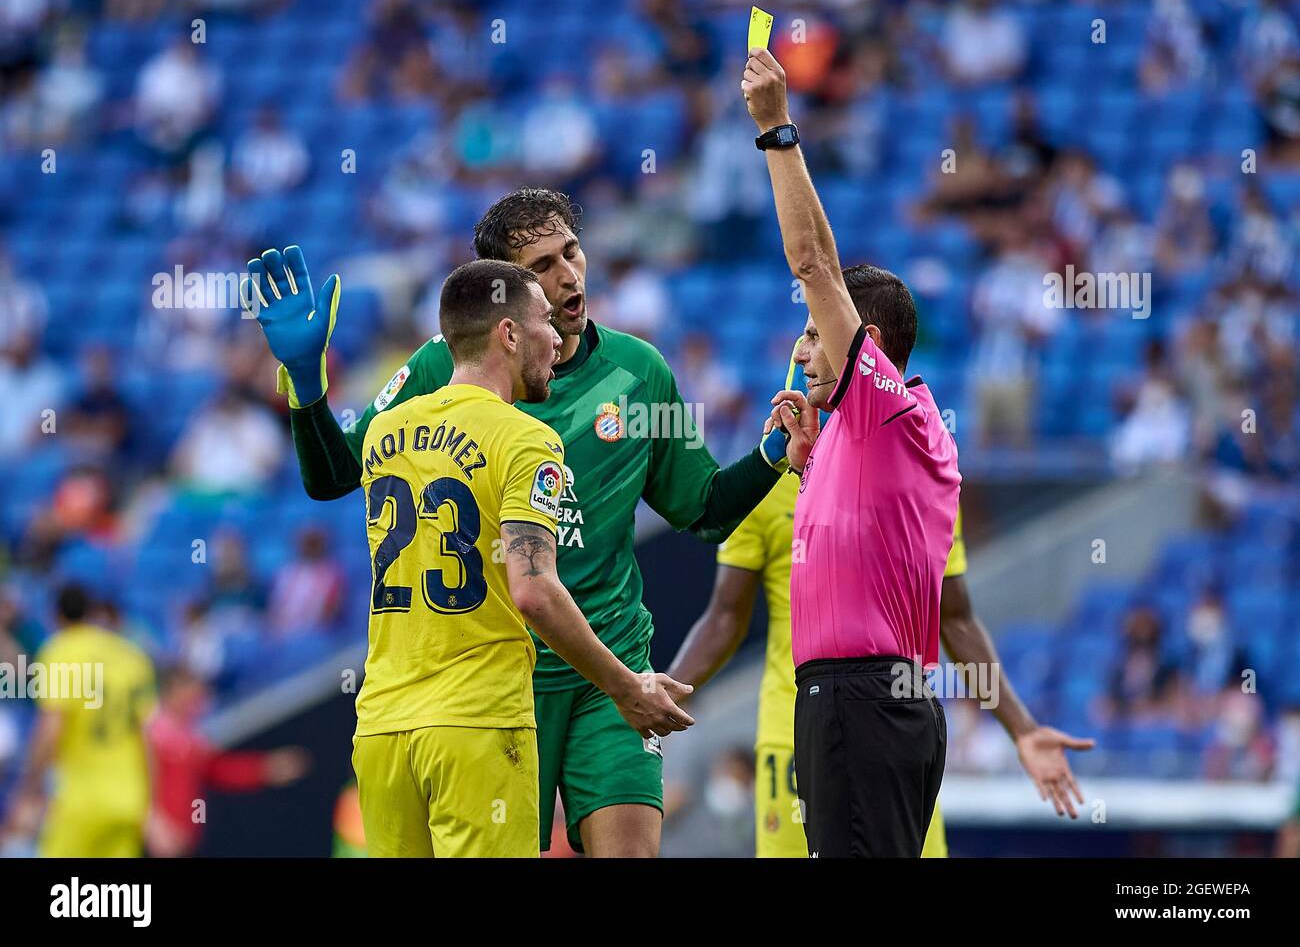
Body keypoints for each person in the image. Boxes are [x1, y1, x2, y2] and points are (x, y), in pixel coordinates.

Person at [248, 189, 786, 856]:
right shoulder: (443, 367)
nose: (568, 275)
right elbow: (335, 475)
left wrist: (773, 456)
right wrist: (306, 384)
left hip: (604, 669)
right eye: (543, 266)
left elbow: (702, 510)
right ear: (502, 298)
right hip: (501, 681)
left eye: (572, 252)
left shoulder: (638, 372)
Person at [671, 339, 1093, 857]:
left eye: (815, 338)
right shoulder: (769, 476)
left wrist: (1022, 729)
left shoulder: (918, 472)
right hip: (796, 737)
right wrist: (664, 693)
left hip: (893, 730)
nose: (804, 355)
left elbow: (956, 619)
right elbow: (724, 618)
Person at [743, 47, 960, 857]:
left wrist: (776, 131)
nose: (801, 351)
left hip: (862, 698)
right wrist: (805, 464)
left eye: (812, 332)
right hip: (860, 697)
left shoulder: (885, 411)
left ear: (866, 345)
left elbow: (814, 265)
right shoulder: (858, 434)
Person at [4, 585, 156, 857]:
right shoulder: (132, 656)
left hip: (82, 798)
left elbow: (51, 727)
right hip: (130, 796)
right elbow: (149, 736)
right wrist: (152, 803)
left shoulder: (61, 651)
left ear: (55, 616)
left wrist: (29, 789)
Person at [146, 665, 310, 857]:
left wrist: (265, 768)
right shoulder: (149, 734)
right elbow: (136, 782)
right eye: (193, 691)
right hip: (154, 841)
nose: (199, 699)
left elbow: (217, 769)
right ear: (173, 689)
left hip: (183, 842)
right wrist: (153, 823)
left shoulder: (191, 737)